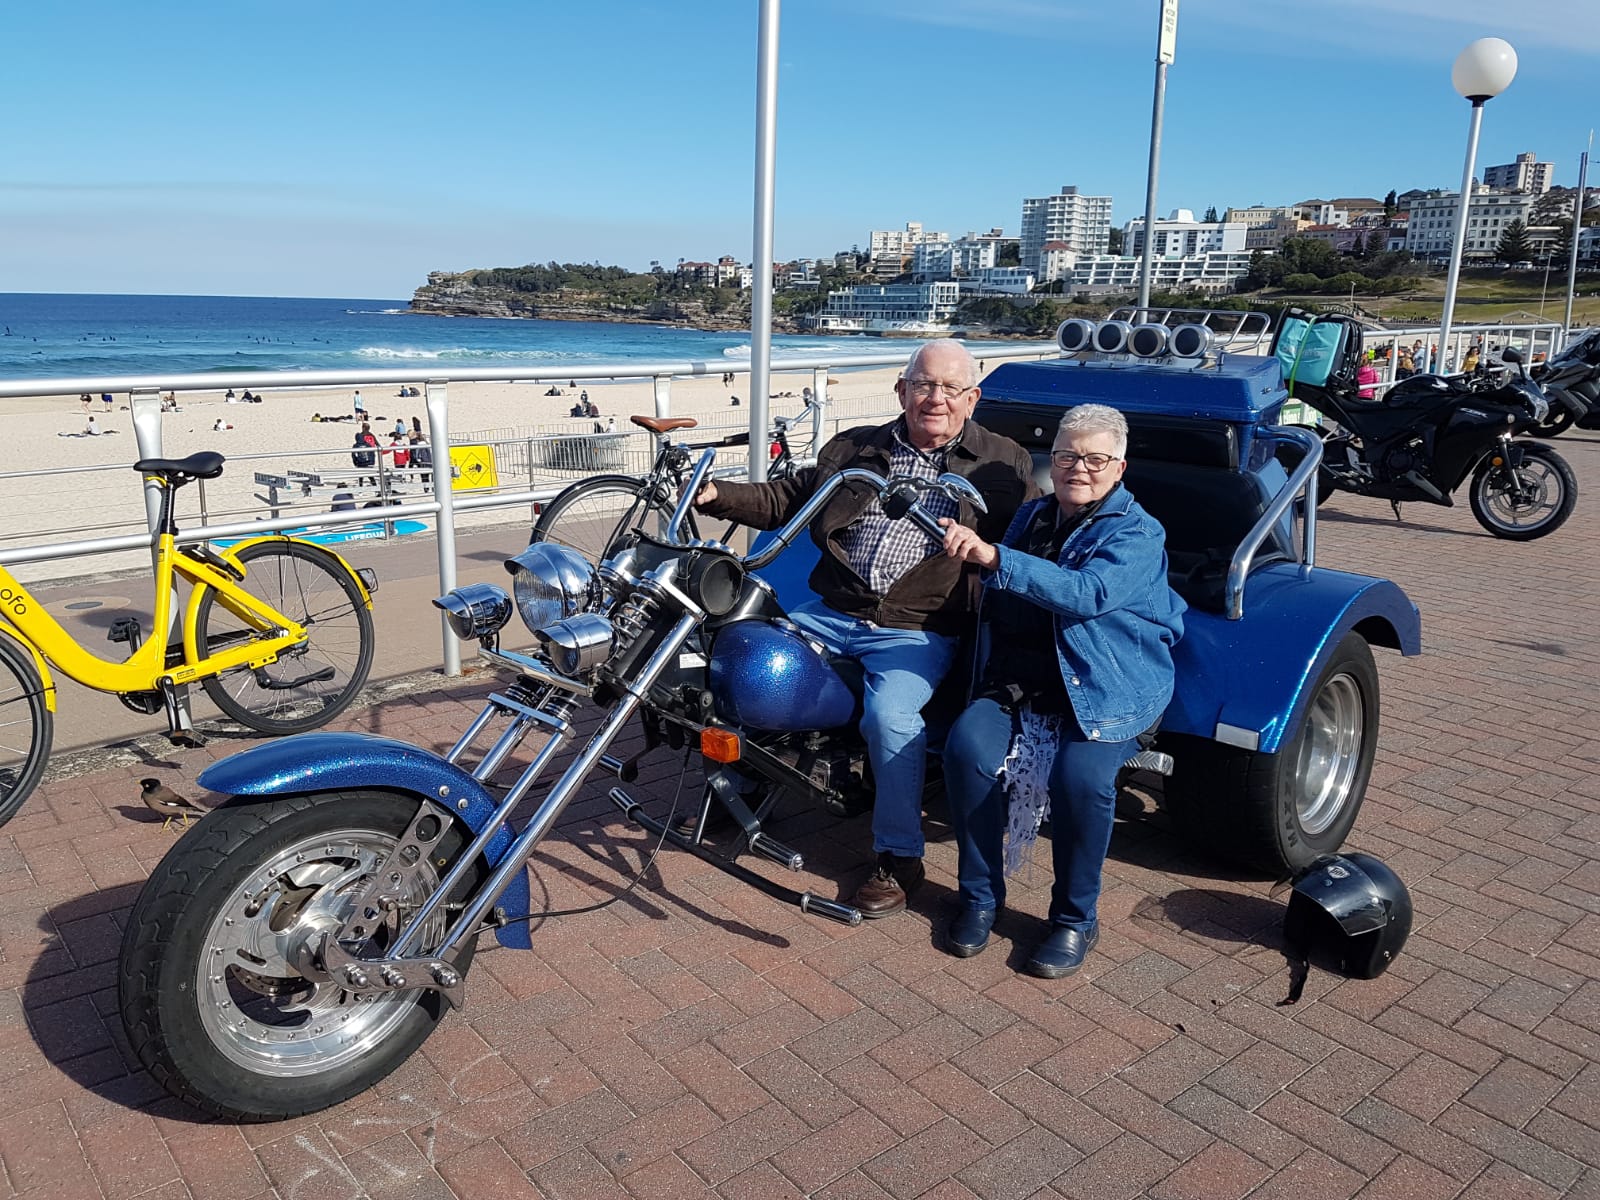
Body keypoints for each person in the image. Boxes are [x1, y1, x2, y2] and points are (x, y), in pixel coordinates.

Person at [692, 340, 1037, 916]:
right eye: (924, 384)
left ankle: (900, 856)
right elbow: (788, 496)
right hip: (831, 612)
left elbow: (1025, 539)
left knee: (890, 717)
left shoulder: (1003, 464)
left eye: (952, 389)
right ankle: (740, 790)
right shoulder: (856, 447)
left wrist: (988, 551)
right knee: (731, 657)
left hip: (917, 627)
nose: (936, 398)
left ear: (972, 398)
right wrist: (716, 494)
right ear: (901, 390)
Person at [939, 404, 1184, 977]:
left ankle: (1075, 920)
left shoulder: (1139, 532)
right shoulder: (1033, 516)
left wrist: (997, 556)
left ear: (1118, 467)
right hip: (1022, 679)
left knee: (1081, 780)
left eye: (1095, 458)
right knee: (967, 751)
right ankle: (979, 898)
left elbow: (1089, 593)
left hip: (1104, 684)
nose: (1080, 467)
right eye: (1069, 455)